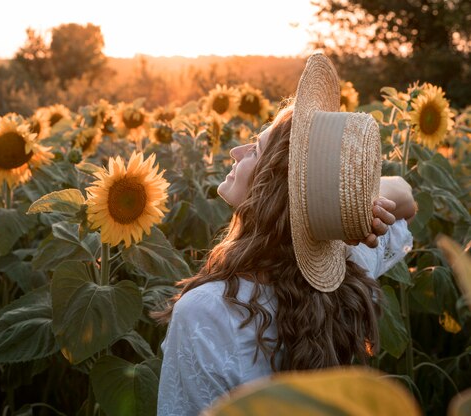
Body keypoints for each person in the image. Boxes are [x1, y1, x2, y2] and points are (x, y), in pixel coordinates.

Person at [154, 54, 416, 416]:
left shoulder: (207, 313)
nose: (236, 151)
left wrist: (345, 200)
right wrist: (346, 202)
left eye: (255, 149)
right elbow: (406, 195)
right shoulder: (348, 264)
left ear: (274, 188)